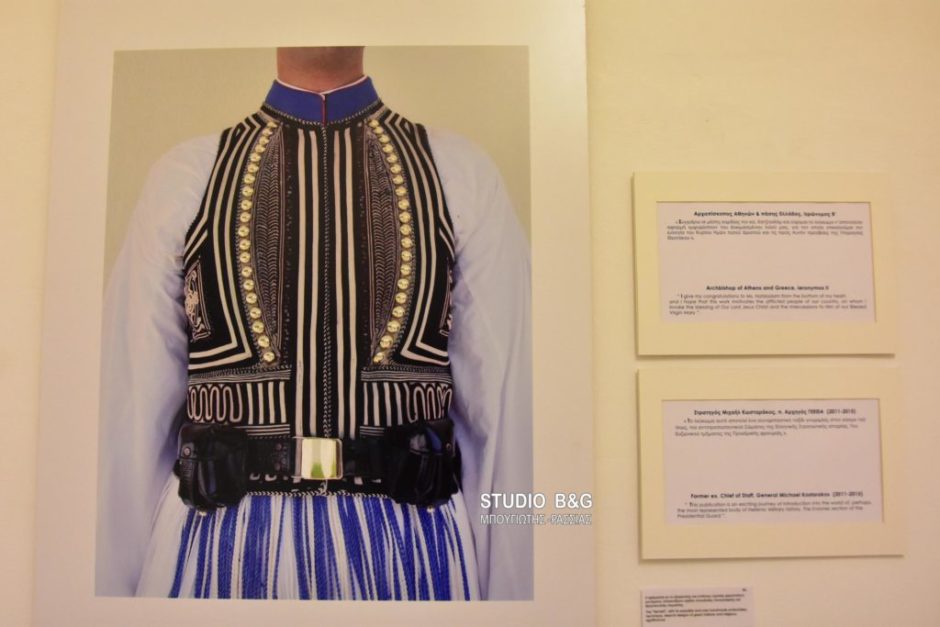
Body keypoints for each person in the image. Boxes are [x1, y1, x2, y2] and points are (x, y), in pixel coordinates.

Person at [95, 46, 532, 601]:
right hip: (217, 556)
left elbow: (511, 413)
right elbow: (129, 414)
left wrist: (521, 603)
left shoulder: (459, 173)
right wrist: (105, 601)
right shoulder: (185, 177)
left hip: (412, 560)